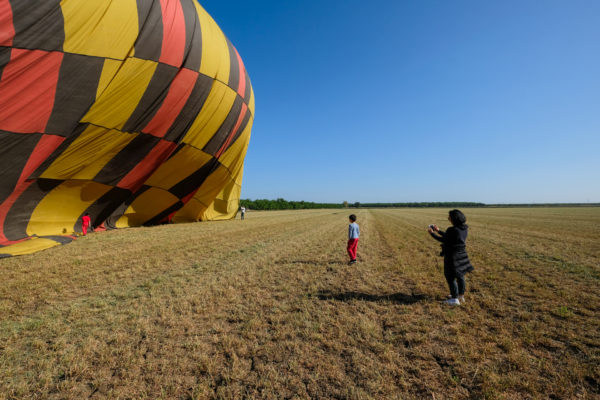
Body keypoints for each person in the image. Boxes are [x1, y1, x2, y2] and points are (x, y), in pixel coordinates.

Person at [428, 209, 474, 305]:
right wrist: (438, 230)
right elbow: (449, 236)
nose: (448, 218)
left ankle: (454, 299)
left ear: (454, 218)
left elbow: (443, 239)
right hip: (462, 255)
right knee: (460, 275)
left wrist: (432, 233)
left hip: (452, 256)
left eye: (449, 216)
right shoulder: (463, 228)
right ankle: (460, 296)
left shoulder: (452, 229)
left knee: (450, 276)